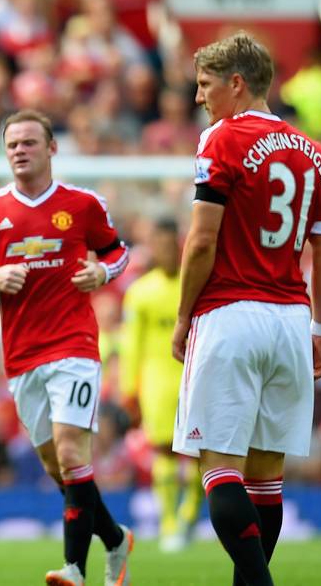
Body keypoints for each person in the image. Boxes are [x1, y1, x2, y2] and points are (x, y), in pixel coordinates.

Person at [171, 32, 321, 586]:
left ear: (236, 84)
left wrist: (181, 317)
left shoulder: (221, 138)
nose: (200, 98)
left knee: (219, 467)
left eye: (204, 85)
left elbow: (201, 242)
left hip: (229, 314)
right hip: (292, 319)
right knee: (267, 477)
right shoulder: (316, 151)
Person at [0, 109, 133, 586]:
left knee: (73, 453)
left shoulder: (83, 203)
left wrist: (103, 272)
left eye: (30, 142)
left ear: (52, 148)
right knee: (61, 469)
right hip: (21, 356)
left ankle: (74, 569)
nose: (20, 151)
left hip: (74, 345)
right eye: (12, 144)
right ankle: (115, 539)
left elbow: (117, 250)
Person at [118, 219, 202, 552]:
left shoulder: (193, 284)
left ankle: (191, 512)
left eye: (171, 245)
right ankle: (169, 521)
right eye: (160, 245)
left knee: (199, 451)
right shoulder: (140, 292)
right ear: (153, 247)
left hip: (193, 376)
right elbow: (131, 344)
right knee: (165, 449)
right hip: (156, 381)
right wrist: (129, 388)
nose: (166, 252)